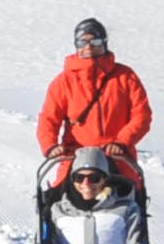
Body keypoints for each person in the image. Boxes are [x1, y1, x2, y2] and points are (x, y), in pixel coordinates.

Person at [34, 17, 150, 185]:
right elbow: (48, 119)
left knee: (131, 192)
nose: (88, 47)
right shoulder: (64, 82)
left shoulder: (125, 77)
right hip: (75, 155)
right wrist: (50, 146)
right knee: (56, 197)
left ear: (104, 43)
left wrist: (122, 142)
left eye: (94, 41)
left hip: (116, 156)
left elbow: (142, 115)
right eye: (82, 42)